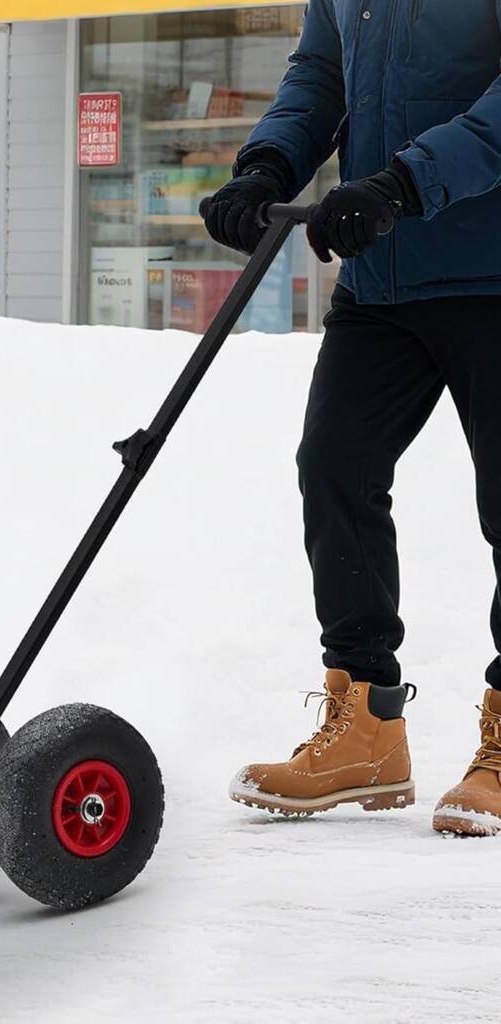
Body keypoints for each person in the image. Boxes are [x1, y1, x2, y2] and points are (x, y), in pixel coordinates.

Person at [204, 0, 501, 836]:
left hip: (492, 270)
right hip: (382, 279)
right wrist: (266, 166)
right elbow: (321, 76)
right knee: (335, 469)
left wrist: (405, 182)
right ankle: (366, 726)